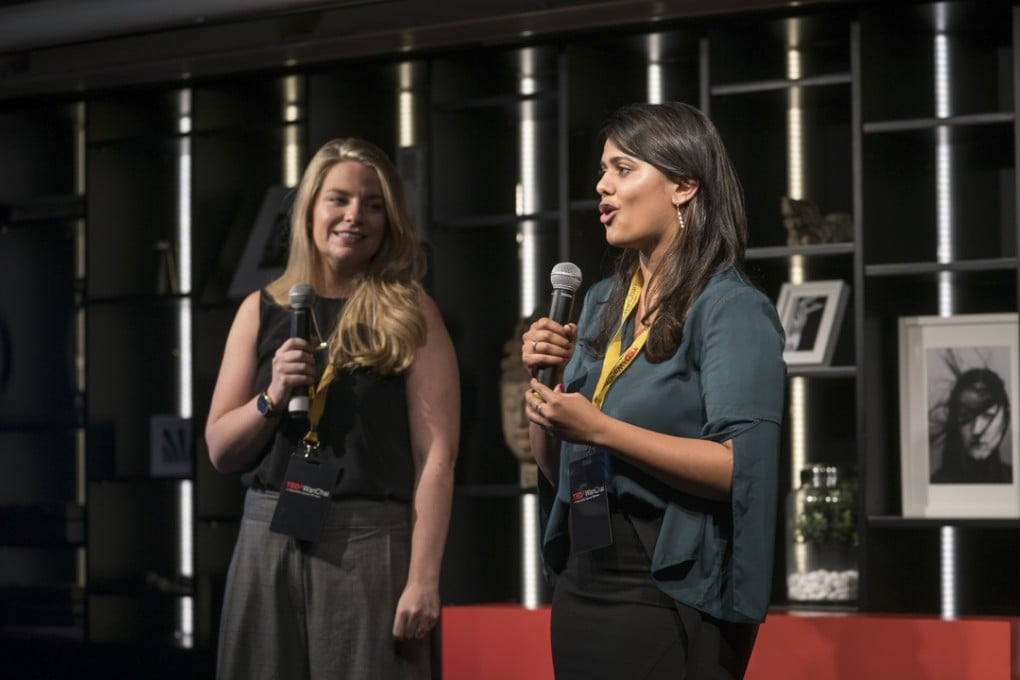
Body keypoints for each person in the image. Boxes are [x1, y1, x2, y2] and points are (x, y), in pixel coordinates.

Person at [521, 102, 786, 679]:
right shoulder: (598, 304)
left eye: (623, 169)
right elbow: (556, 469)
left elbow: (740, 469)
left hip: (671, 583)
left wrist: (597, 428)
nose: (602, 187)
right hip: (586, 572)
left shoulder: (731, 308)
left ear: (684, 186)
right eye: (602, 171)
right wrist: (546, 404)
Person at [205, 138, 459, 679]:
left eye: (372, 204)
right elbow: (221, 450)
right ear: (310, 210)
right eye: (338, 199)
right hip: (267, 532)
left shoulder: (412, 311)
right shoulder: (262, 308)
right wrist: (272, 396)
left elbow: (437, 457)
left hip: (369, 542)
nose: (354, 216)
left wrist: (424, 578)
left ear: (389, 219)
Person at [930, 367, 1012, 484]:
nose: (976, 430)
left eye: (988, 416)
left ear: (1004, 420)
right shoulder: (935, 484)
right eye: (966, 415)